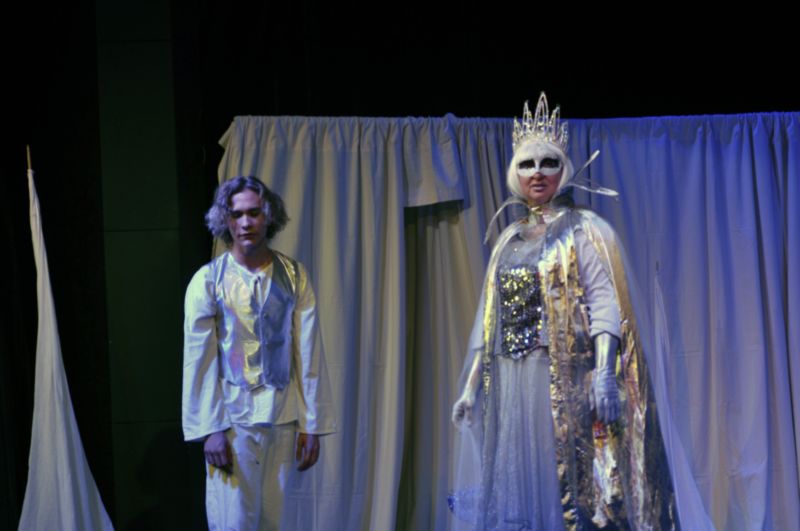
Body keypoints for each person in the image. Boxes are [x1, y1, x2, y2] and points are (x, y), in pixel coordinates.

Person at [449, 94, 677, 529]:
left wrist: (606, 372)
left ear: (563, 169)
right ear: (515, 173)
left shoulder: (584, 230)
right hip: (510, 380)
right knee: (520, 482)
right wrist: (471, 388)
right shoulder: (508, 238)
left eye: (548, 162)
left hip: (560, 379)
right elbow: (489, 318)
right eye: (527, 164)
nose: (537, 172)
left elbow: (606, 302)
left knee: (568, 478)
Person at [182, 176, 336, 530]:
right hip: (233, 422)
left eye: (254, 213)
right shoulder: (208, 280)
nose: (246, 223)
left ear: (269, 216)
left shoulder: (294, 276)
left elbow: (308, 353)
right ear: (225, 220)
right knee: (233, 521)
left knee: (277, 521)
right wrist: (210, 429)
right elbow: (198, 360)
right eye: (236, 215)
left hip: (282, 419)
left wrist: (311, 425)